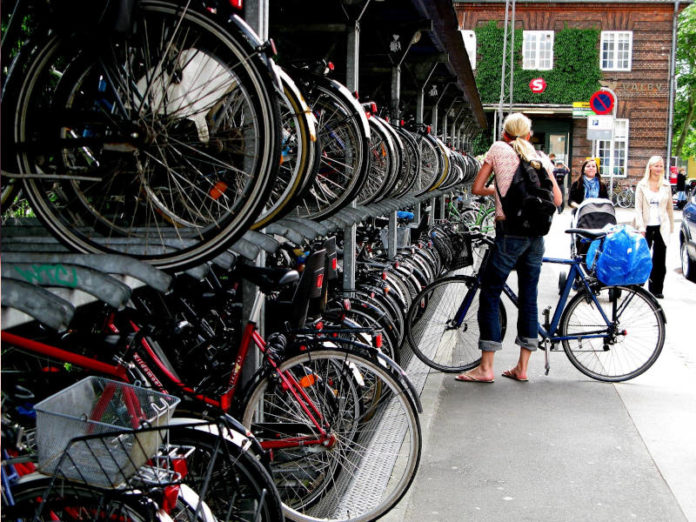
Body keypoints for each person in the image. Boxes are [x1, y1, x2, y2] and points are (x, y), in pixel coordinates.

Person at [455, 113, 562, 383]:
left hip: (509, 234)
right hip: (536, 238)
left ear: (505, 131)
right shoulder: (539, 156)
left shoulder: (498, 149)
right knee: (529, 298)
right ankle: (522, 368)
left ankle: (486, 368)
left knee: (490, 294)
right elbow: (558, 199)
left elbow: (478, 188)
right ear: (528, 133)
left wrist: (500, 191)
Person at [634, 156, 674, 299]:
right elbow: (638, 208)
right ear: (650, 167)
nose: (658, 168)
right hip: (645, 226)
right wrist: (640, 227)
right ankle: (637, 284)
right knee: (642, 257)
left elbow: (669, 208)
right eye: (656, 166)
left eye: (661, 166)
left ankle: (657, 289)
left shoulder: (666, 185)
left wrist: (671, 228)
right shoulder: (642, 185)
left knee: (660, 259)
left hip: (661, 226)